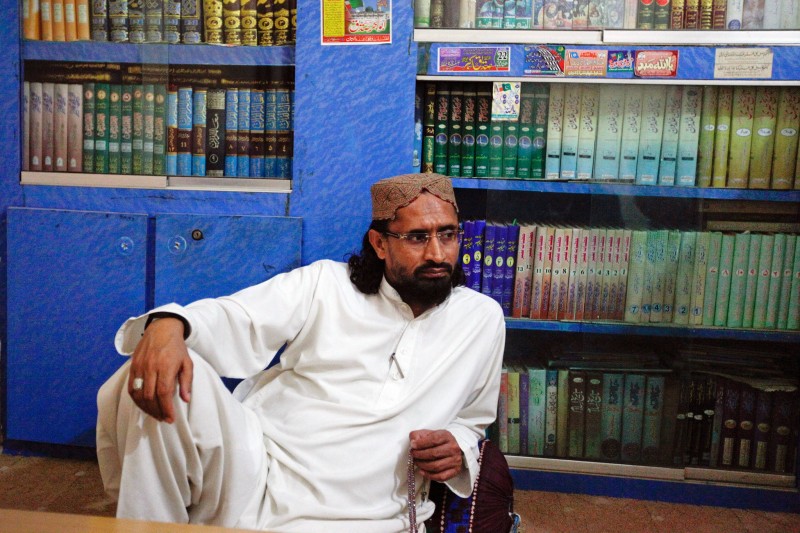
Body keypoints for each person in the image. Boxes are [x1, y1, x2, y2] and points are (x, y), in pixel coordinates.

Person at [96, 172, 507, 532]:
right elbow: (235, 317)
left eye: (448, 234)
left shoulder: (481, 319)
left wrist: (457, 444)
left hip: (373, 513)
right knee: (162, 374)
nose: (438, 254)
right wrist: (170, 324)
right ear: (380, 243)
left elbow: (472, 420)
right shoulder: (324, 285)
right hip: (256, 478)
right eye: (418, 237)